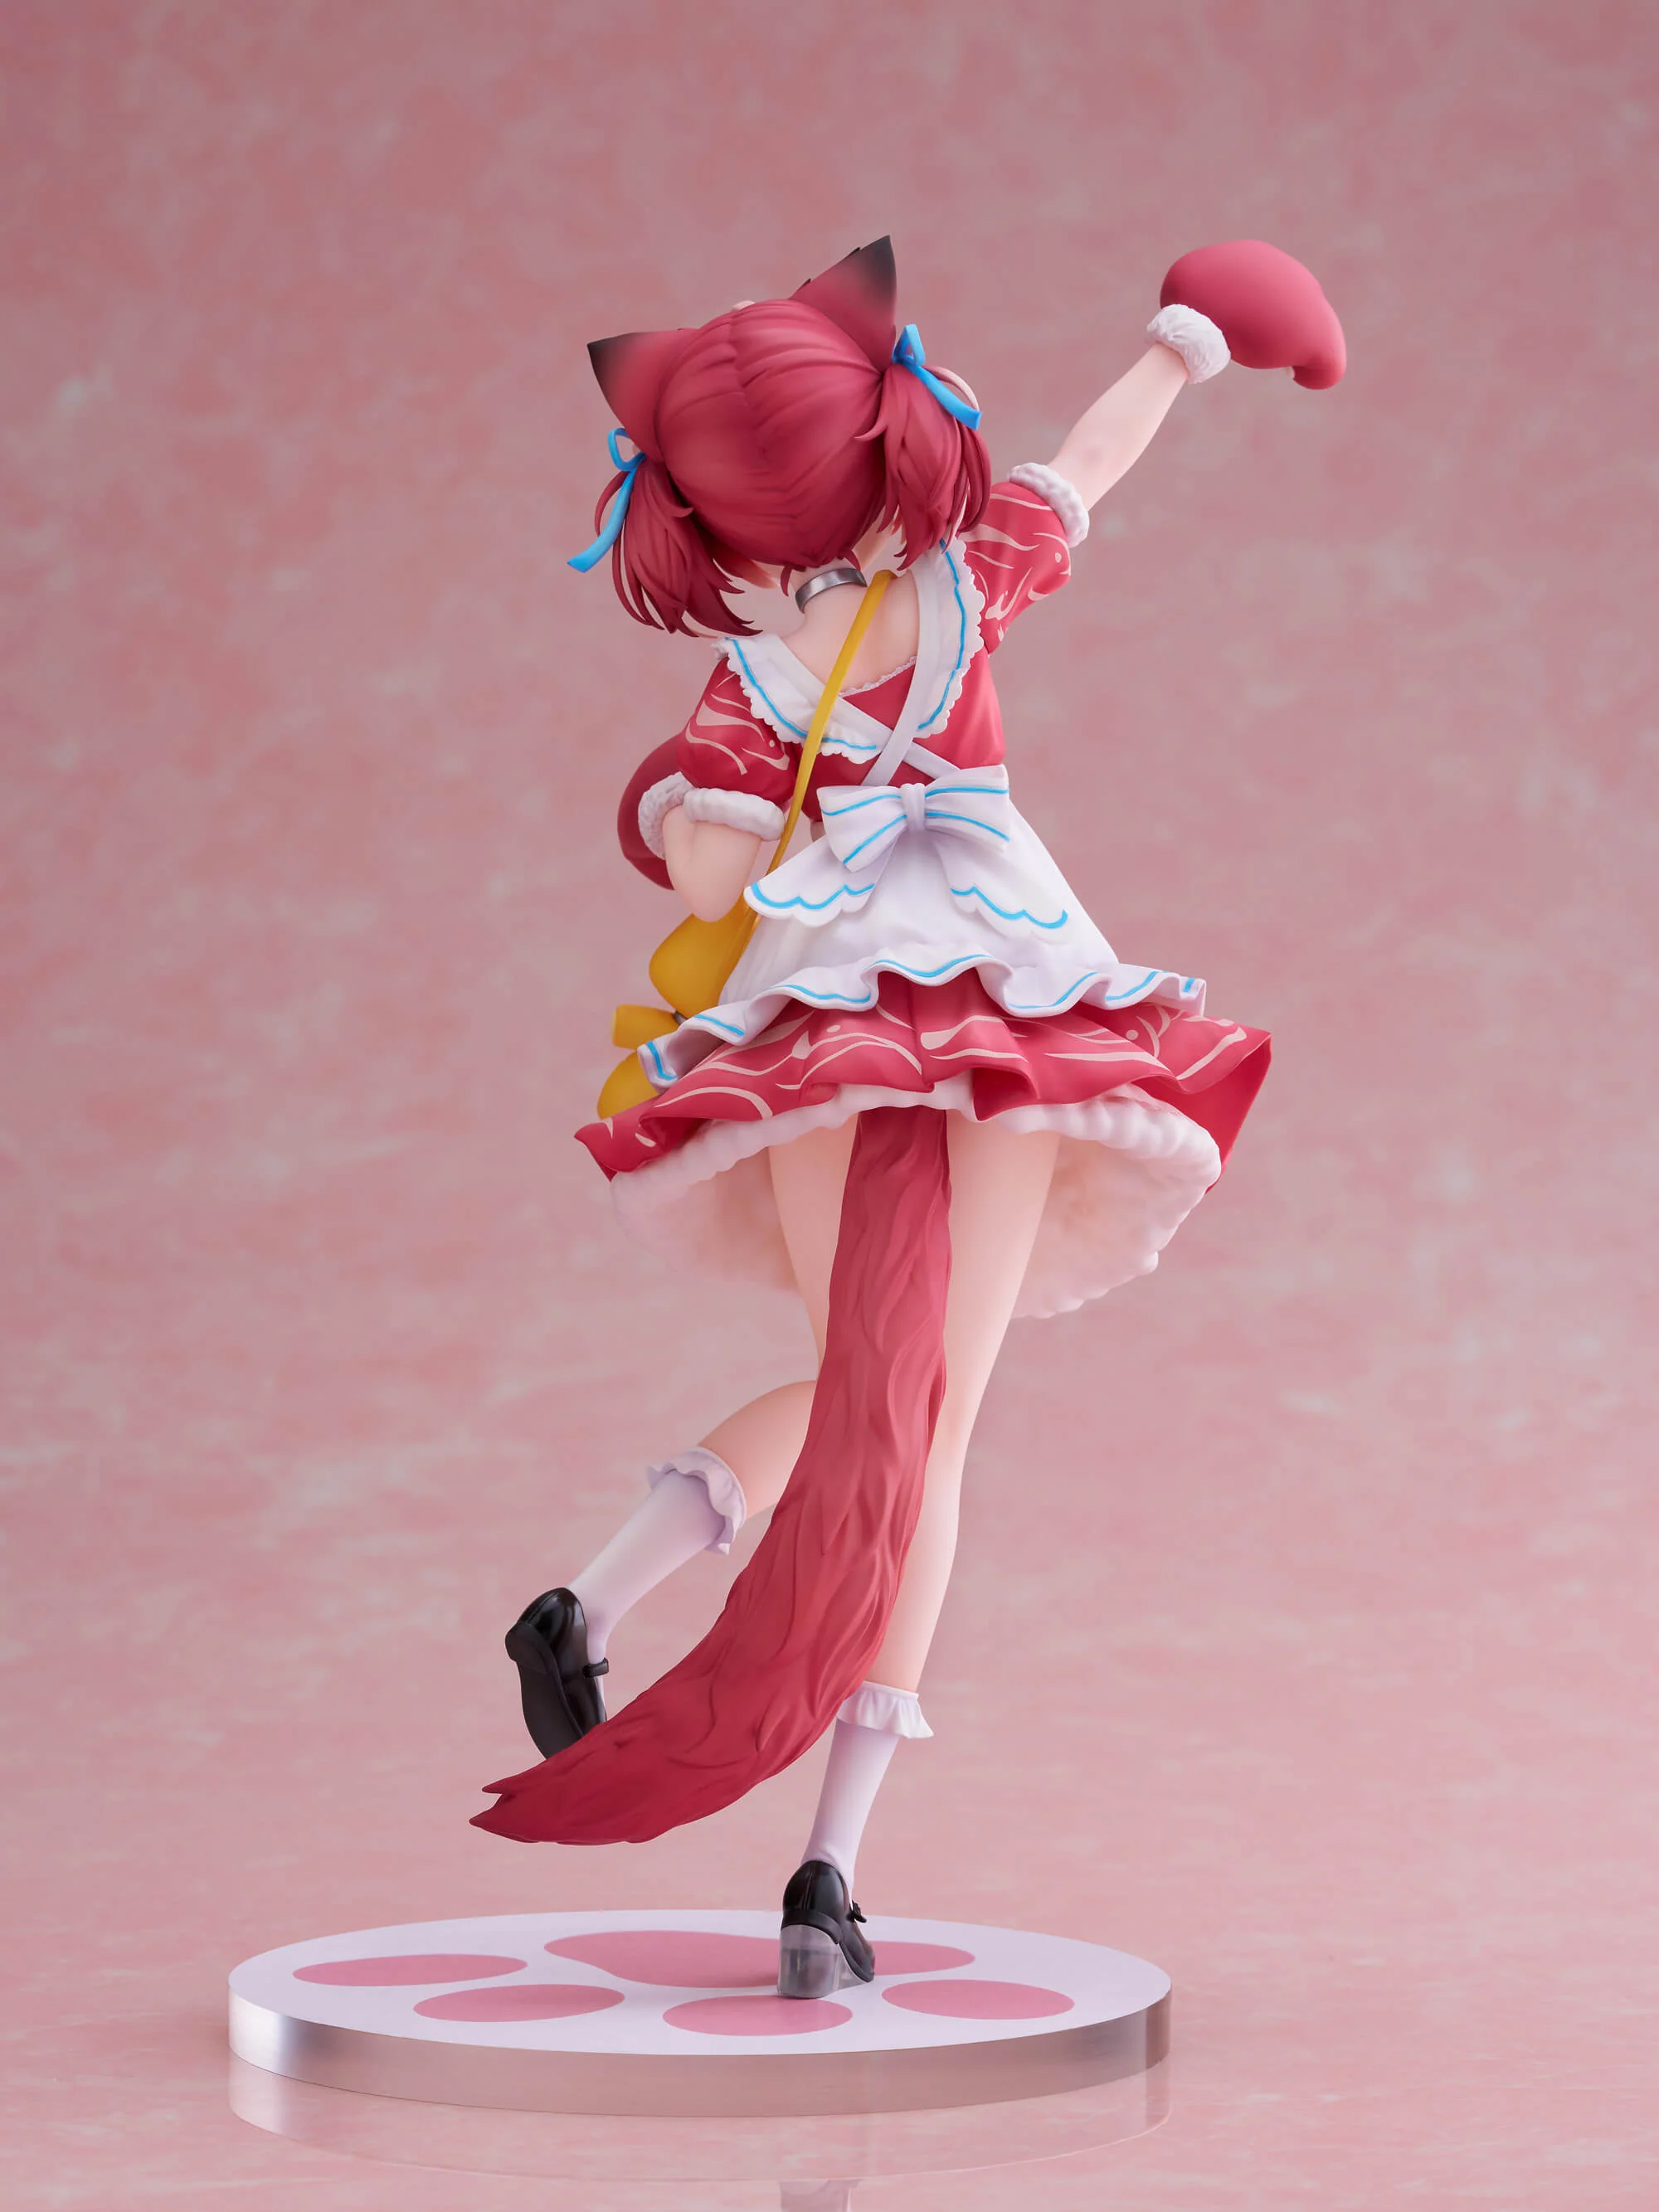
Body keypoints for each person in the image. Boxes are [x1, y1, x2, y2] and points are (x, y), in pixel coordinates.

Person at [474, 236, 1343, 1999]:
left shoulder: (752, 682)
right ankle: (830, 1873)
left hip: (822, 1029)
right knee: (927, 1420)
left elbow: (703, 878)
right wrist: (1188, 341)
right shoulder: (967, 582)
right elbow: (1089, 459)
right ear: (891, 428)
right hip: (1003, 1009)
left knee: (860, 1378)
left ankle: (593, 1598)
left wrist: (687, 807)